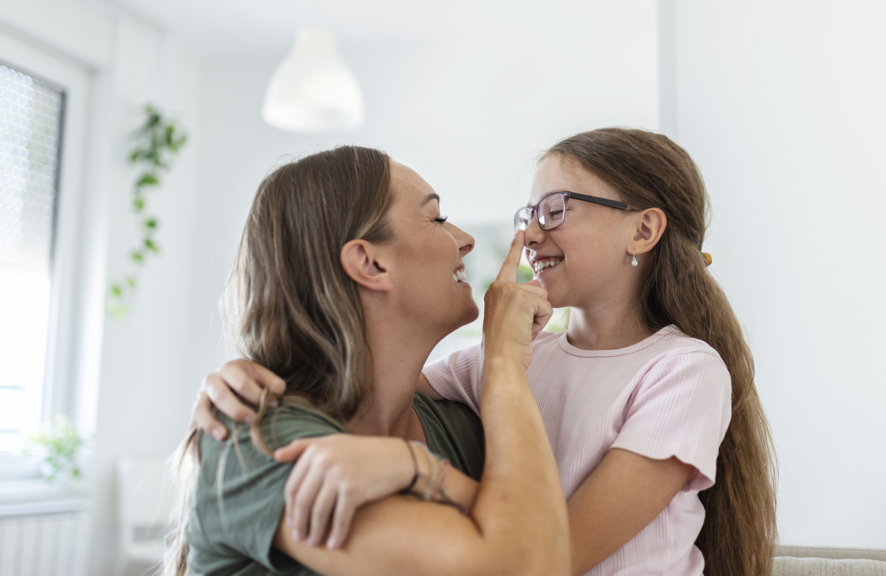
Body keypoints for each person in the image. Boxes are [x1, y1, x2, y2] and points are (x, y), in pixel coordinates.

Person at [193, 128, 777, 576]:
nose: (526, 235)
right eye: (530, 215)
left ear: (643, 231)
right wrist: (251, 372)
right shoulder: (502, 369)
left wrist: (416, 467)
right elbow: (362, 376)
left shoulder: (680, 370)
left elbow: (547, 552)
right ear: (369, 263)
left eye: (556, 209)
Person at [166, 145, 572, 576]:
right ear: (370, 263)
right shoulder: (255, 438)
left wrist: (413, 466)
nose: (465, 240)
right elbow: (528, 562)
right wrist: (503, 361)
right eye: (436, 219)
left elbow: (537, 539)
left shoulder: (460, 424)